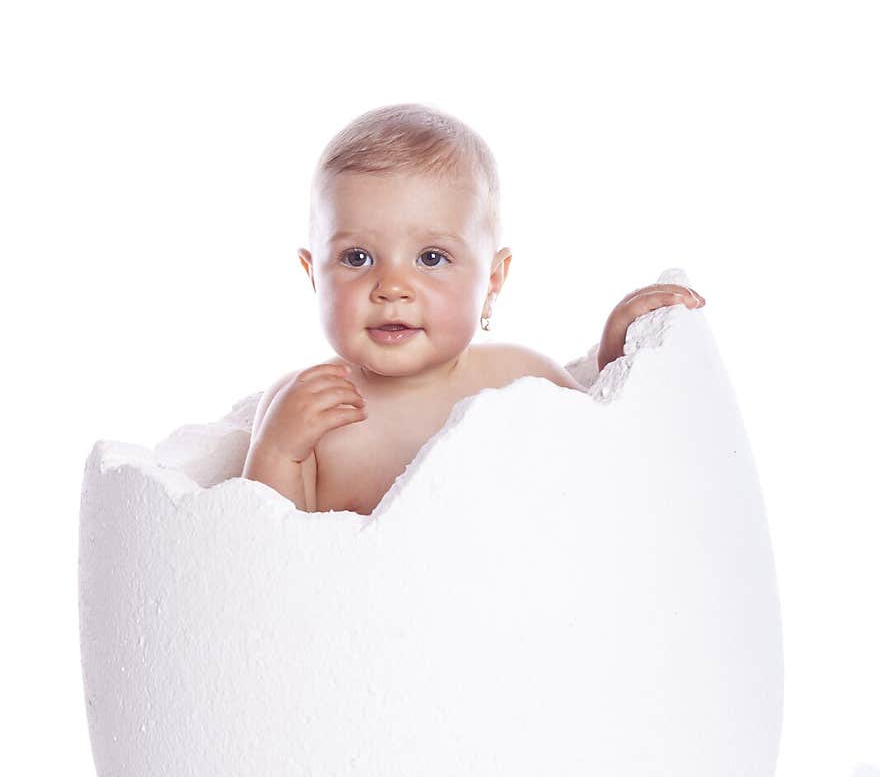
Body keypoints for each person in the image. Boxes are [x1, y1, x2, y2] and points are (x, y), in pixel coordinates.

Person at [242, 103, 704, 514]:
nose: (392, 288)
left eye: (431, 258)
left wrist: (616, 355)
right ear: (313, 274)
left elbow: (600, 454)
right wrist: (279, 452)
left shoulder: (518, 377)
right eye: (356, 258)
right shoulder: (304, 405)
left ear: (492, 281)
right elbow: (264, 552)